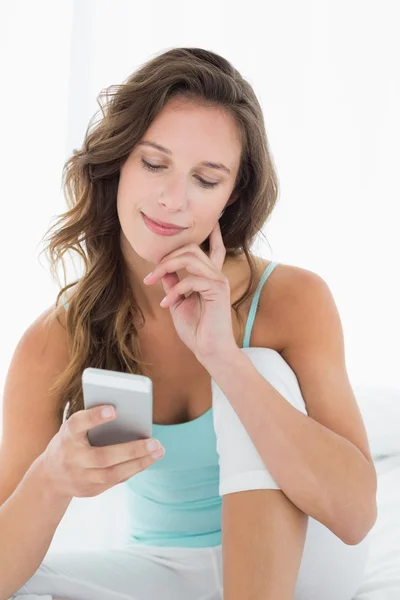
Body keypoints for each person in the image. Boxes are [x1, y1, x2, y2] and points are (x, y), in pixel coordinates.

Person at [0, 47, 375, 600]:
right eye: (154, 164)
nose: (173, 200)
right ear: (117, 163)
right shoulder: (52, 341)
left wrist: (223, 357)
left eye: (206, 179)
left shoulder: (292, 299)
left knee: (259, 365)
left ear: (232, 197)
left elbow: (355, 516)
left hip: (303, 566)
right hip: (166, 569)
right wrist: (53, 476)